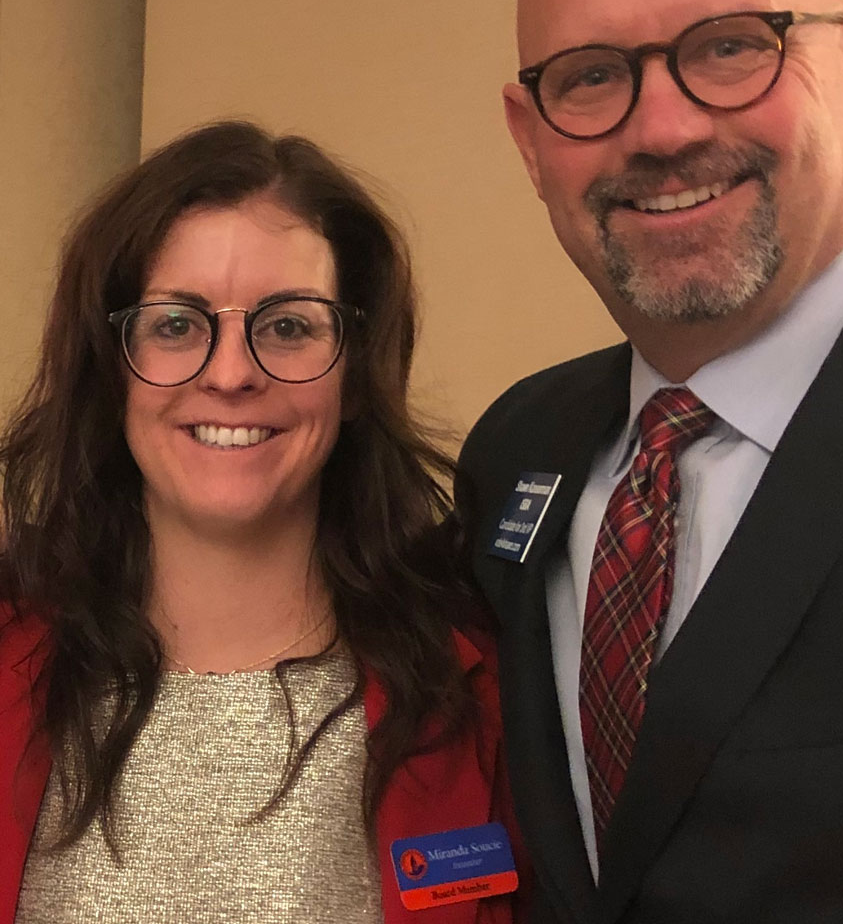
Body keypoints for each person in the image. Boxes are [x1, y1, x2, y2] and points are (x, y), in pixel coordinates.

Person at [457, 0, 843, 923]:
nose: (663, 129)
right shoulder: (517, 449)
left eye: (731, 47)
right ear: (529, 139)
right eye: (592, 75)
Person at [0, 121, 524, 923]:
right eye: (176, 324)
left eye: (288, 326)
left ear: (355, 375)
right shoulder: (13, 656)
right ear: (111, 372)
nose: (232, 373)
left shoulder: (481, 694)